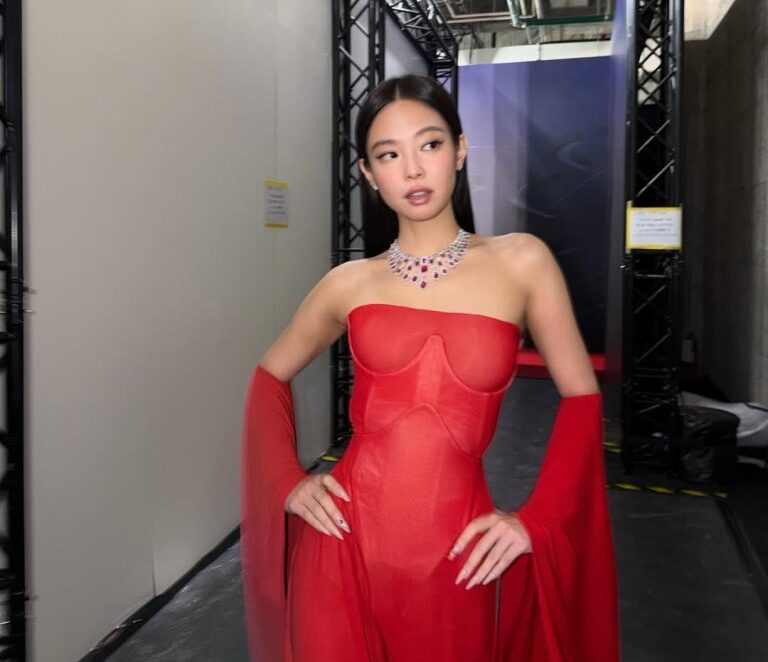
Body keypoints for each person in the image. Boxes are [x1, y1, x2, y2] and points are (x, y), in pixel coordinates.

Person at [240, 74, 620, 661]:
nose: (413, 169)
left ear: (461, 150)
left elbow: (582, 397)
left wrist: (537, 518)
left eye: (430, 144)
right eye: (389, 155)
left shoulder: (522, 262)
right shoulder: (349, 282)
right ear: (369, 174)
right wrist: (287, 481)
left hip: (457, 560)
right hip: (340, 546)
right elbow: (270, 376)